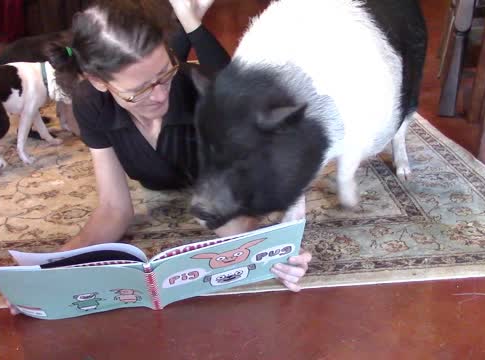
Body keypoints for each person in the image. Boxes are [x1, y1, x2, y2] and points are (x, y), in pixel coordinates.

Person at [48, 0, 312, 292]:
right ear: (98, 81)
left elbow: (236, 224)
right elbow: (114, 209)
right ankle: (188, 18)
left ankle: (190, 19)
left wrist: (277, 254)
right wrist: (49, 268)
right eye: (139, 90)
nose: (160, 95)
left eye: (164, 74)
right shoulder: (91, 102)